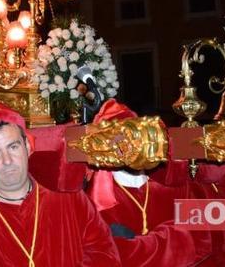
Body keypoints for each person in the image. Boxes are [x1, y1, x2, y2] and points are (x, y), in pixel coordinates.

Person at [0, 99, 121, 266]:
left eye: (13, 147)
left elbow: (104, 253)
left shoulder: (70, 198)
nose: (7, 160)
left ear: (27, 146)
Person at [84, 100, 211, 266]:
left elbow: (203, 242)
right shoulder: (93, 202)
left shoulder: (175, 187)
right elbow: (102, 258)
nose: (133, 147)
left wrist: (136, 247)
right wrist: (175, 237)